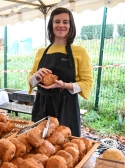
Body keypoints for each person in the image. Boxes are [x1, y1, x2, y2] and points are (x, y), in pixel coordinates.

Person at [27, 7, 93, 137]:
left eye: (65, 22)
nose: (61, 25)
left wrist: (63, 85)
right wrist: (36, 76)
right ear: (51, 25)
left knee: (66, 147)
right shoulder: (41, 52)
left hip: (66, 107)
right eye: (57, 21)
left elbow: (87, 82)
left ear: (71, 26)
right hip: (42, 105)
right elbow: (30, 79)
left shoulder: (79, 52)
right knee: (38, 143)